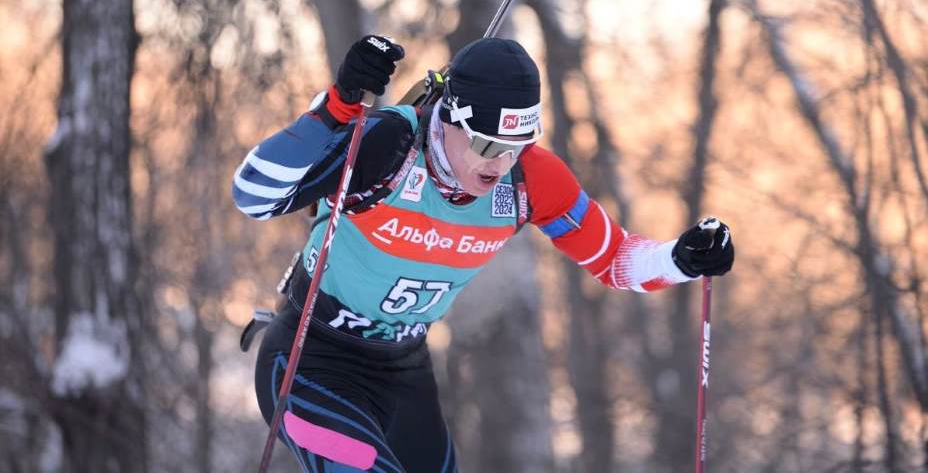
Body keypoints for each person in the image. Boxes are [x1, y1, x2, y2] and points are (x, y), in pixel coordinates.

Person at [233, 35, 734, 472]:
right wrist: (338, 109)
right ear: (449, 119)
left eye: (518, 145)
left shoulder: (530, 179)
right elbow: (253, 196)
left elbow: (613, 258)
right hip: (311, 360)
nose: (500, 163)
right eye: (488, 145)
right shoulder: (389, 145)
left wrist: (681, 259)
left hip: (402, 372)